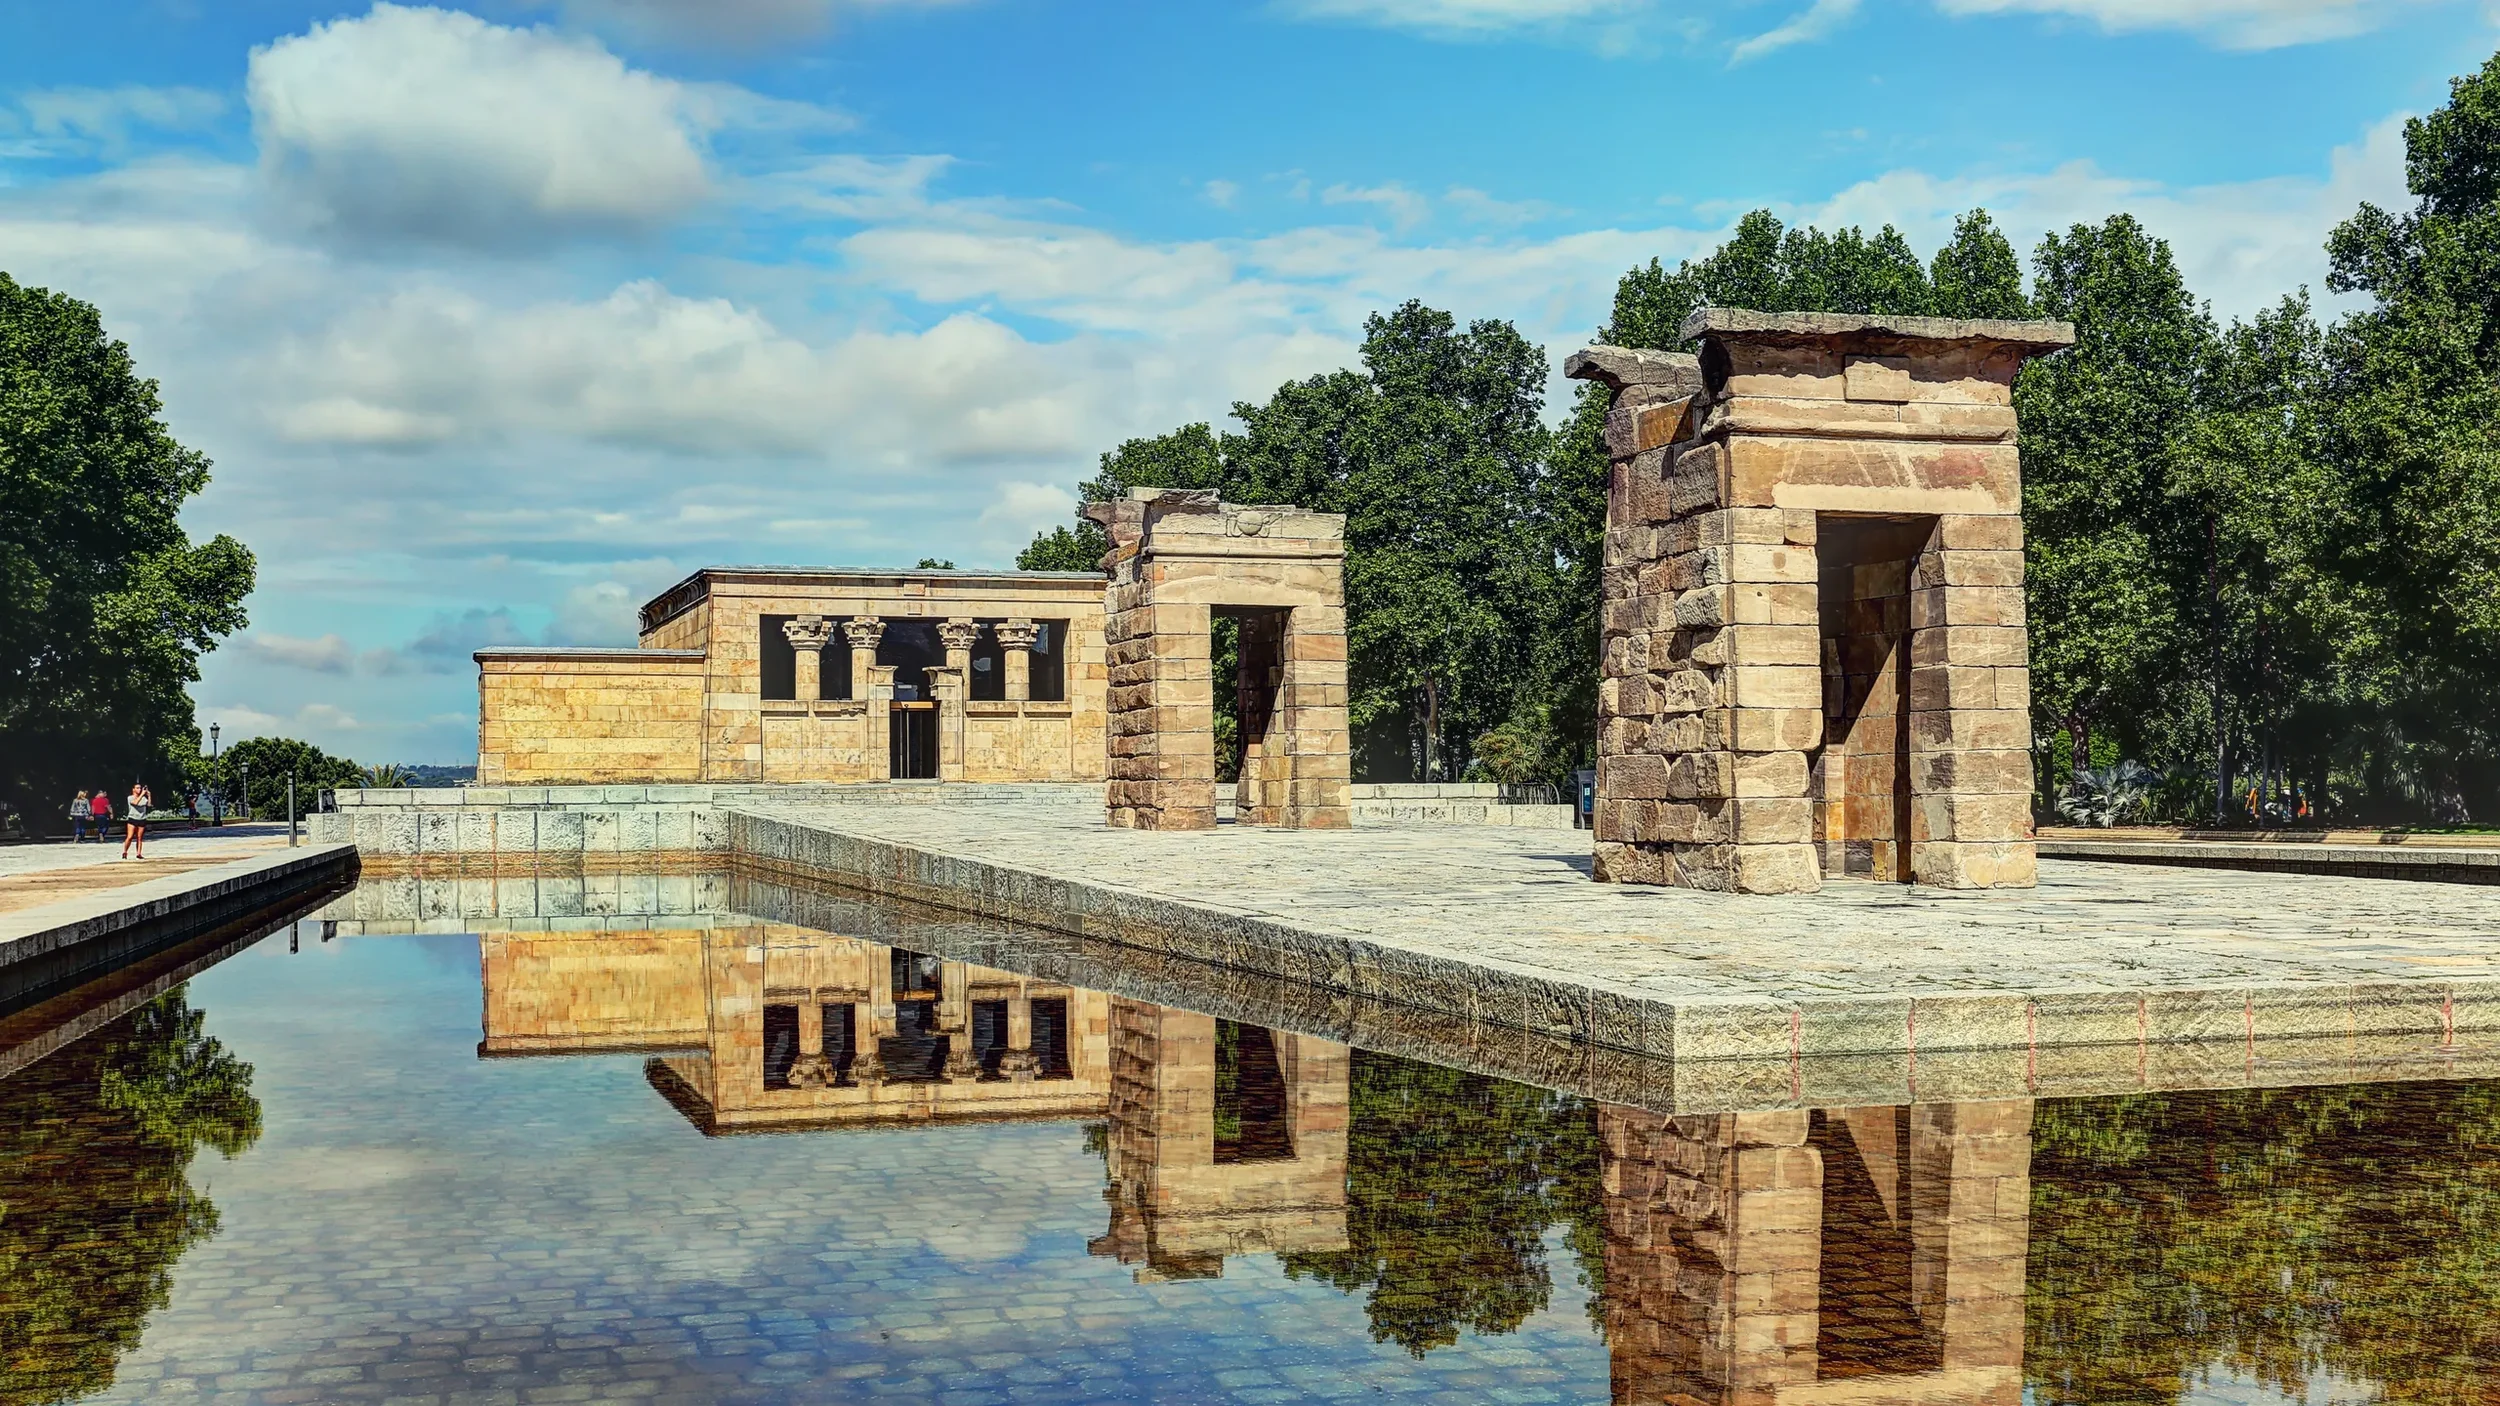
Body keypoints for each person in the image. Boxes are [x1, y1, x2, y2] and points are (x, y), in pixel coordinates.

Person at [121, 782, 152, 859]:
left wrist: (149, 795)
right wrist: (142, 794)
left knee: (139, 837)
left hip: (141, 819)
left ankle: (139, 853)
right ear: (133, 789)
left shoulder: (143, 798)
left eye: (140, 788)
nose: (139, 789)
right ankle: (125, 851)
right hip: (132, 818)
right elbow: (135, 802)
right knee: (130, 836)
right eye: (137, 788)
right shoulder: (130, 798)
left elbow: (149, 805)